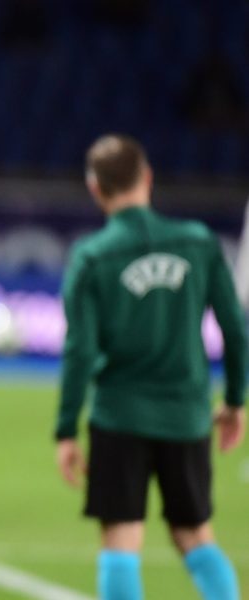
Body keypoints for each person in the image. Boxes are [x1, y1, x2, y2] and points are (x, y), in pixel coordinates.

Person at [55, 134, 245, 600]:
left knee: (121, 538)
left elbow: (80, 350)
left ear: (95, 189)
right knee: (196, 536)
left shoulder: (92, 257)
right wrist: (236, 401)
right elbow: (236, 331)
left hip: (119, 416)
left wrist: (65, 429)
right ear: (148, 178)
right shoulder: (199, 243)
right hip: (186, 415)